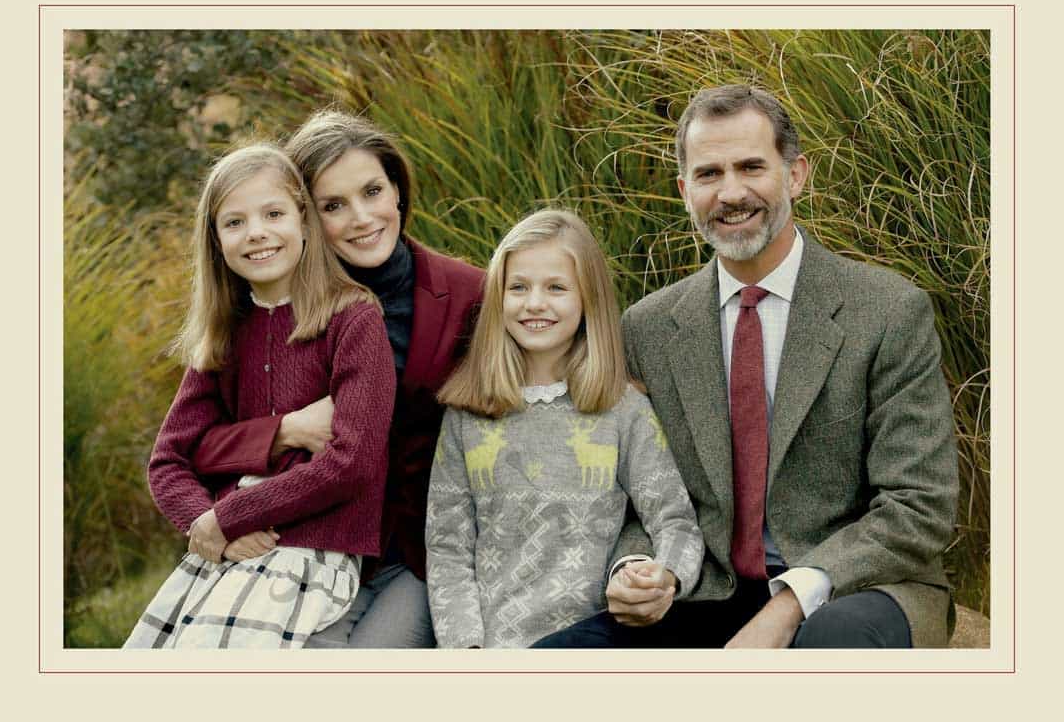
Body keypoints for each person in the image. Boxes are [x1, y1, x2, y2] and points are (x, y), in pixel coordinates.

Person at [534, 84, 958, 649]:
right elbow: (639, 495)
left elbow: (919, 505)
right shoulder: (648, 327)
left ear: (796, 175)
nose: (731, 192)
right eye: (709, 174)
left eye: (752, 167)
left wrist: (787, 607)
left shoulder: (886, 311)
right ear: (685, 191)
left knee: (829, 646)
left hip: (858, 588)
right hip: (705, 588)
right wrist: (635, 568)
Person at [184, 111, 485, 648]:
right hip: (299, 548)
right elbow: (190, 445)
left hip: (420, 552)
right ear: (304, 216)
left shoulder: (470, 295)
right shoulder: (267, 311)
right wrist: (284, 430)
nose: (362, 217)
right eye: (333, 206)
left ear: (398, 191)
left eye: (373, 191)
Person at [124, 144, 396, 648]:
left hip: (314, 552)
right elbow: (168, 461)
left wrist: (227, 516)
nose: (256, 232)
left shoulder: (353, 320)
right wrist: (212, 530)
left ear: (305, 221)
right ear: (215, 241)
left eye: (273, 213)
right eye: (235, 222)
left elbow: (351, 463)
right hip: (234, 550)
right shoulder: (225, 333)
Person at [425, 209, 703, 648]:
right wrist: (467, 652)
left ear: (587, 299)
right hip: (492, 649)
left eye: (556, 288)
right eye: (518, 287)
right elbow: (448, 550)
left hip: (590, 640)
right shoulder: (467, 415)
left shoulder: (622, 409)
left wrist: (661, 576)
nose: (535, 303)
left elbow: (675, 520)